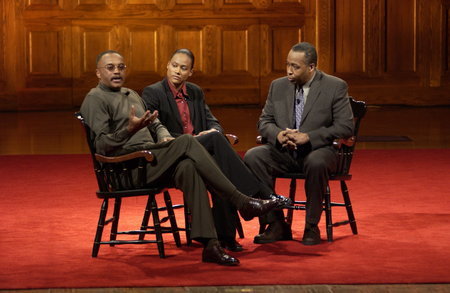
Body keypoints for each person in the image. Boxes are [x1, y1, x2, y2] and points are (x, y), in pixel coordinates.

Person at [80, 50, 283, 266]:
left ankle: (211, 245)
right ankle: (243, 200)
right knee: (187, 142)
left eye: (121, 67)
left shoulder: (130, 94)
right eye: (110, 68)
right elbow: (101, 146)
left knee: (188, 167)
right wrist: (129, 131)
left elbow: (154, 123)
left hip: (152, 157)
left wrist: (165, 137)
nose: (117, 71)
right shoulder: (95, 98)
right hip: (128, 167)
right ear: (98, 73)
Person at [141, 48, 291, 252]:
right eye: (174, 65)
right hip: (174, 152)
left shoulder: (195, 91)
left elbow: (212, 120)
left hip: (200, 150)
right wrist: (199, 139)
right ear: (167, 65)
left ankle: (226, 237)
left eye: (183, 68)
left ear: (190, 72)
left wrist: (215, 131)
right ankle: (258, 195)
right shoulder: (153, 92)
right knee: (214, 143)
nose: (177, 71)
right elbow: (154, 132)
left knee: (219, 164)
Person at [244, 42, 354, 245]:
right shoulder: (278, 86)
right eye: (287, 65)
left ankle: (311, 225)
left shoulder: (334, 86)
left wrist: (309, 137)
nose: (289, 70)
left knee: (316, 162)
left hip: (319, 151)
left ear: (311, 67)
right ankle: (276, 223)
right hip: (285, 152)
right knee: (253, 156)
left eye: (295, 66)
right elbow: (264, 121)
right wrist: (278, 135)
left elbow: (346, 127)